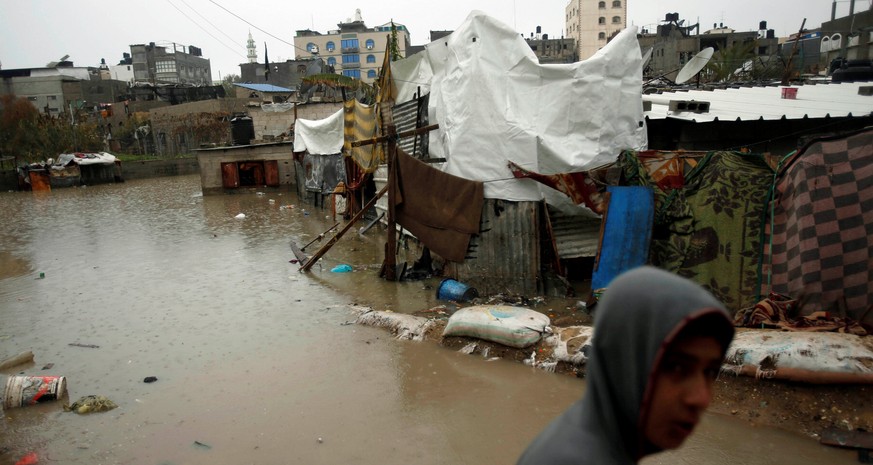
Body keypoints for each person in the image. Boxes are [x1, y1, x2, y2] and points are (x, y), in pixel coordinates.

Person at [517, 266, 735, 465]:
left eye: (710, 372)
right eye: (677, 368)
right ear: (624, 360)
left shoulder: (584, 435)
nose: (701, 398)